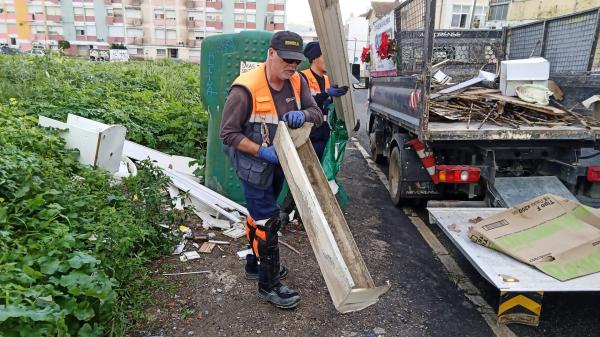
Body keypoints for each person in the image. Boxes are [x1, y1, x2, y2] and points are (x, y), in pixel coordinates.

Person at [220, 31, 322, 309]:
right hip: (253, 165)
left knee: (258, 217)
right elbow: (227, 134)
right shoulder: (245, 89)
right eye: (287, 59)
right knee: (268, 221)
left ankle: (254, 265)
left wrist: (304, 115)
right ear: (271, 54)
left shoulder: (298, 81)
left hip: (280, 162)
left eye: (296, 61)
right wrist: (261, 151)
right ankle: (269, 284)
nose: (292, 66)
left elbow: (317, 114)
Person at [300, 41, 348, 159]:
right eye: (324, 56)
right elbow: (304, 104)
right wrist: (325, 94)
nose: (329, 61)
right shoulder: (302, 77)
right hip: (309, 137)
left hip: (326, 136)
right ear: (315, 58)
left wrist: (348, 119)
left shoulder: (329, 79)